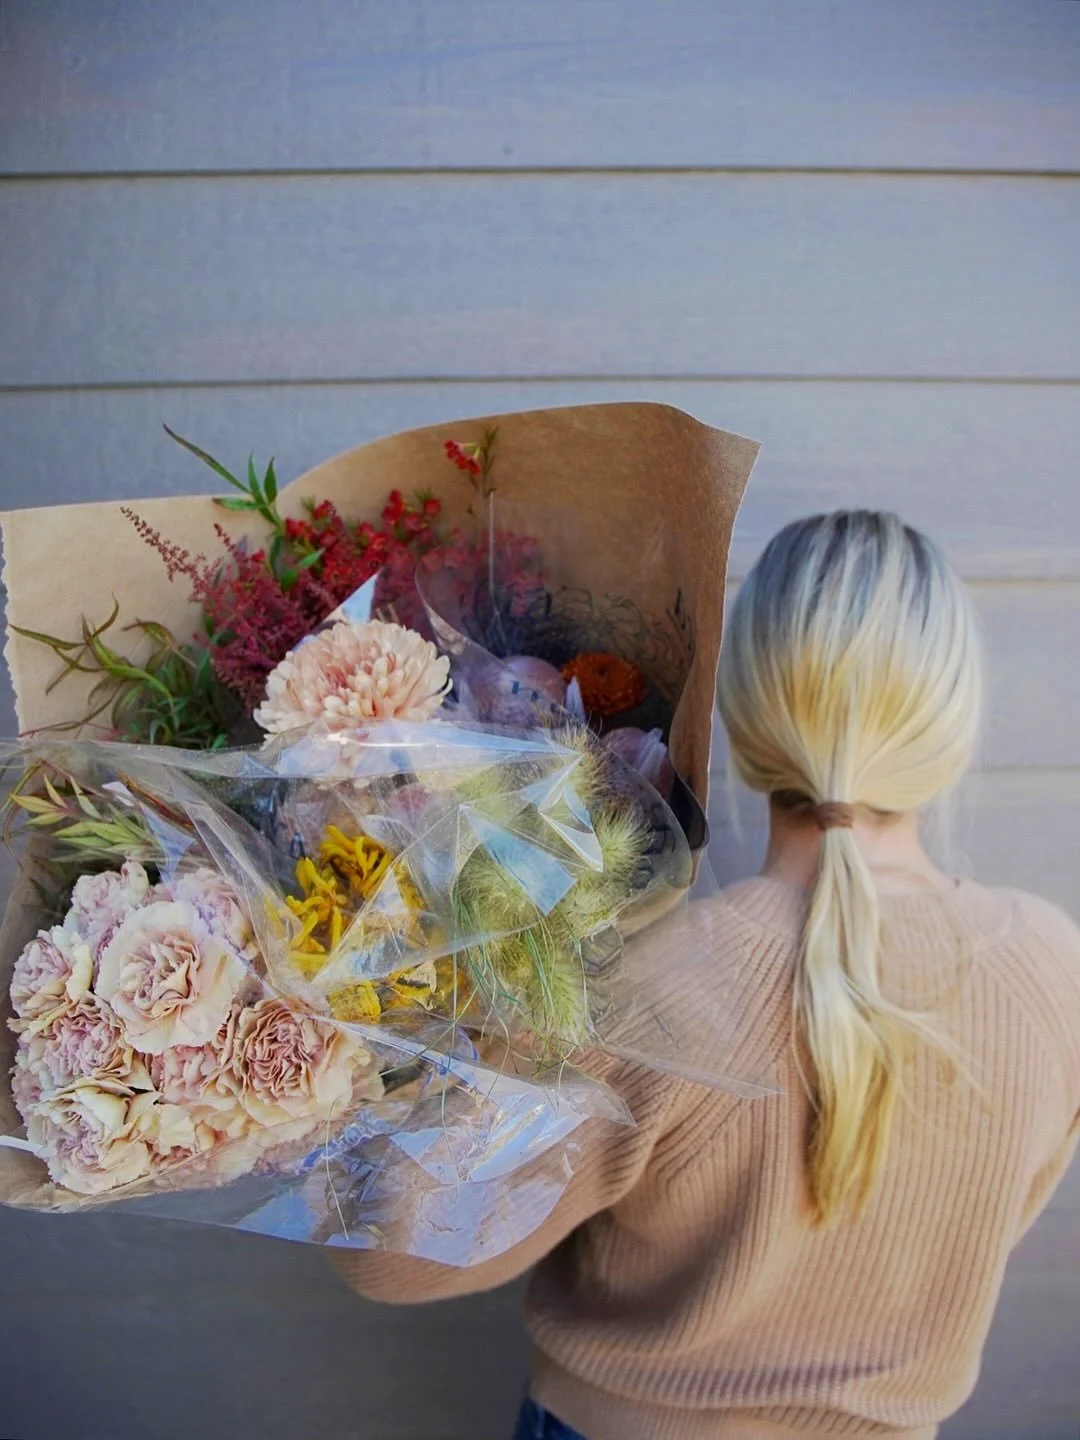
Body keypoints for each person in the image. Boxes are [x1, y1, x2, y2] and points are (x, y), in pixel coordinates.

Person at [329, 511, 1080, 1439]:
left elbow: (393, 1254)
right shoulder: (1053, 970)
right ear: (951, 725)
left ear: (745, 712)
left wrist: (462, 989)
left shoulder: (655, 980)